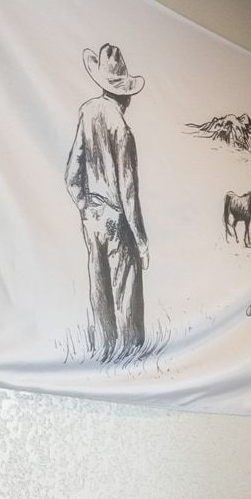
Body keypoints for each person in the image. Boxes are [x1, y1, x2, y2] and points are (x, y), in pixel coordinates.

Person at [64, 44, 149, 360]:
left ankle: (103, 354)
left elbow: (73, 171)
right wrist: (141, 241)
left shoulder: (87, 111)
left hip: (93, 217)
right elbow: (128, 192)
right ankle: (129, 360)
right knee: (125, 290)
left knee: (99, 289)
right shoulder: (122, 130)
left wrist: (84, 205)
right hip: (117, 219)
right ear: (124, 94)